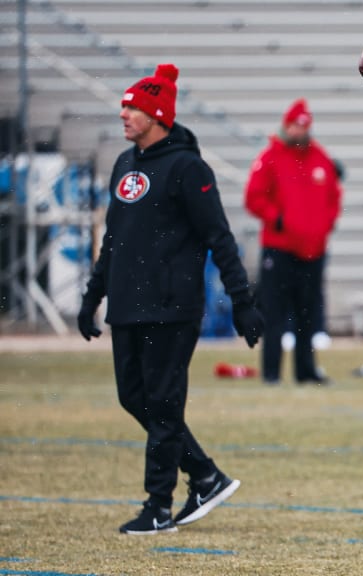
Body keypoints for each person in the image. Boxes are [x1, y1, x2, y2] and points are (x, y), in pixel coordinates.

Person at [76, 63, 264, 535]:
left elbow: (220, 237)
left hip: (172, 305)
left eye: (133, 107)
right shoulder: (124, 164)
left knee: (161, 403)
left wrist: (242, 301)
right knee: (133, 397)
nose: (123, 113)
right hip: (127, 305)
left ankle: (158, 506)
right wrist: (92, 296)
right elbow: (113, 240)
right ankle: (204, 474)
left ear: (157, 114)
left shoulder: (187, 167)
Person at [244, 98, 342, 386]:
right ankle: (272, 372)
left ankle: (306, 370)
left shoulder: (320, 158)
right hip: (280, 249)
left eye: (304, 127)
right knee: (274, 314)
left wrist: (324, 227)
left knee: (307, 315)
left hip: (313, 250)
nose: (299, 132)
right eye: (295, 126)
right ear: (286, 126)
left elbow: (333, 198)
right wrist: (278, 219)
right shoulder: (270, 157)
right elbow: (254, 198)